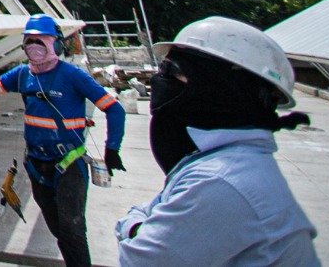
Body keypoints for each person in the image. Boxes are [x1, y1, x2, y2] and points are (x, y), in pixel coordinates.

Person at [115, 16, 318, 266]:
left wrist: (133, 226)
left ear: (221, 88)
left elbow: (139, 258)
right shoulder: (227, 163)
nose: (160, 82)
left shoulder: (221, 180)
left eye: (173, 72)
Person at [0, 14, 127, 267]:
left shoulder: (72, 76)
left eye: (41, 41)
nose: (34, 46)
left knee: (72, 231)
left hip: (68, 164)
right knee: (59, 230)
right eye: (29, 41)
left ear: (55, 44)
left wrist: (112, 149)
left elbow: (114, 109)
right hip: (36, 164)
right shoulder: (23, 75)